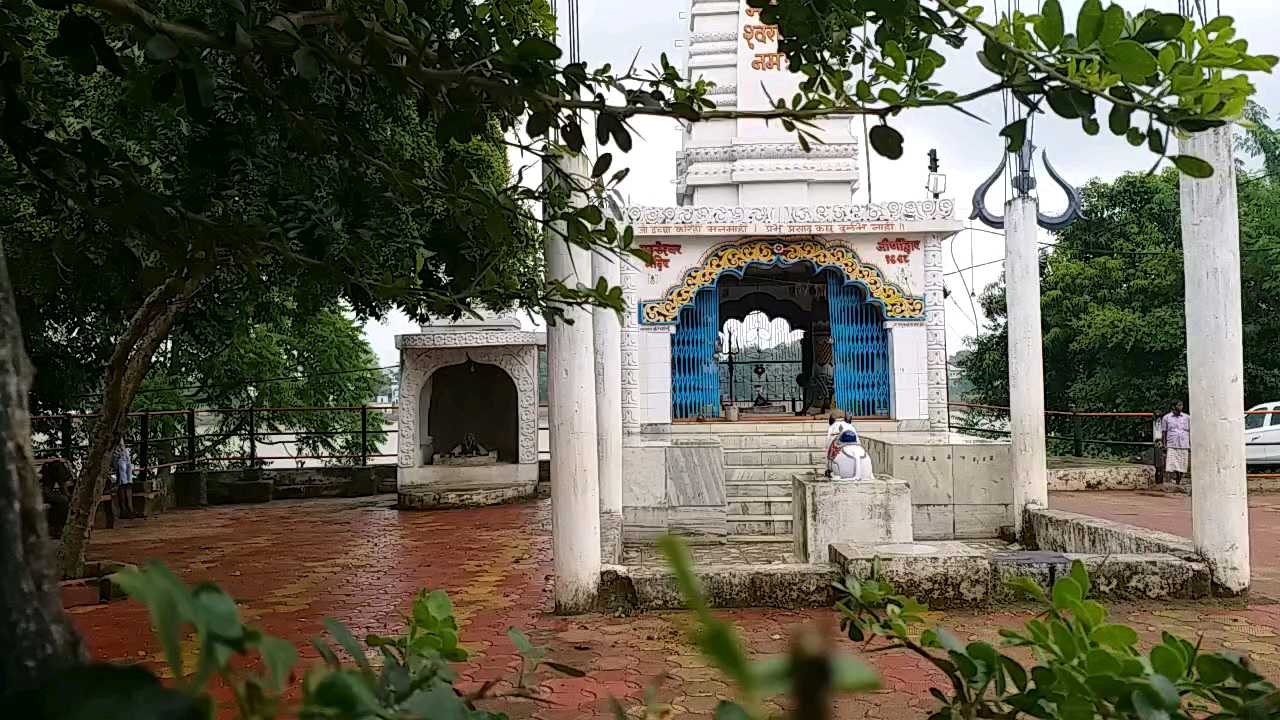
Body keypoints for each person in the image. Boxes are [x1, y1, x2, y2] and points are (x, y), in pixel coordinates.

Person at [1159, 400, 1191, 486]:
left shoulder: (1187, 417)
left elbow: (1191, 431)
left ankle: (1179, 480)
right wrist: (1164, 444)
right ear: (1174, 406)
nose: (1181, 407)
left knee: (1183, 463)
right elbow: (1164, 432)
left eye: (1181, 405)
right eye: (1179, 405)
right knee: (1173, 464)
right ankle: (1176, 479)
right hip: (1172, 443)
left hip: (1184, 443)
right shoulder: (1167, 417)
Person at [112, 439, 135, 518]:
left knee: (127, 484)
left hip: (125, 455)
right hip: (119, 456)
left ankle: (129, 509)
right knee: (123, 484)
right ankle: (125, 510)